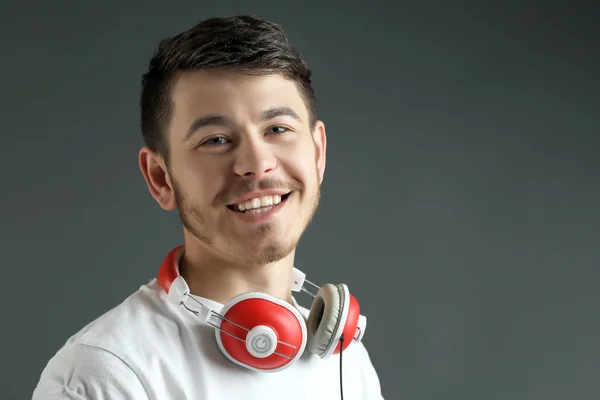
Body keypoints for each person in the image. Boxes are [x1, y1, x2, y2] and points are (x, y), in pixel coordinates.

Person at [32, 15, 383, 399]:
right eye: (215, 139)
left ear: (317, 153)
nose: (256, 162)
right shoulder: (103, 375)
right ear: (160, 178)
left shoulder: (347, 363)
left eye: (277, 129)